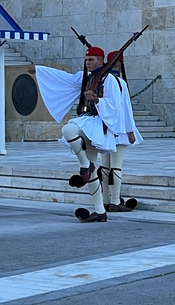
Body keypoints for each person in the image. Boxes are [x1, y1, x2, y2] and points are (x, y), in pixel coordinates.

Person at [27, 46, 134, 223]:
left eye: (91, 60)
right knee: (77, 145)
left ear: (101, 61)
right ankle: (99, 210)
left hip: (99, 124)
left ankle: (88, 170)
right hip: (87, 121)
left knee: (69, 129)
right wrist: (40, 70)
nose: (88, 63)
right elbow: (64, 78)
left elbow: (116, 105)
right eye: (86, 60)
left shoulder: (110, 80)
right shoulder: (86, 77)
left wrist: (97, 100)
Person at [99, 50, 142, 212]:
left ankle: (104, 200)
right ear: (119, 63)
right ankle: (115, 201)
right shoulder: (118, 82)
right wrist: (130, 130)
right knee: (116, 166)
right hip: (120, 129)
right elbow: (125, 109)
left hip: (105, 129)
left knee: (104, 166)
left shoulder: (102, 79)